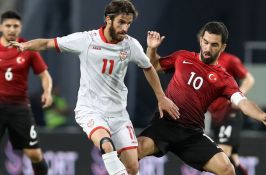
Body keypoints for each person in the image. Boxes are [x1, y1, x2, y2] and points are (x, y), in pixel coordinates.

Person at [10, 1, 180, 175]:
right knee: (106, 145)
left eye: (128, 23)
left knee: (133, 166)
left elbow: (148, 67)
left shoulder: (130, 45)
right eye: (121, 22)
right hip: (91, 110)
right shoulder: (86, 40)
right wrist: (24, 46)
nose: (125, 28)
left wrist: (161, 97)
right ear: (108, 19)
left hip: (119, 114)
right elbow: (47, 43)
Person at [137, 21, 266, 175]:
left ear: (223, 47)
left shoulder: (224, 78)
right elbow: (154, 65)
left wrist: (261, 116)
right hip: (164, 125)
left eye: (214, 45)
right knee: (132, 153)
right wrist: (151, 48)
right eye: (205, 42)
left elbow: (243, 102)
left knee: (228, 169)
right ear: (201, 40)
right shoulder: (182, 57)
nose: (207, 48)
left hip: (191, 135)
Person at [0, 11, 53, 175]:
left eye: (15, 26)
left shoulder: (28, 49)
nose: (11, 29)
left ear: (20, 28)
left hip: (19, 108)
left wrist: (47, 92)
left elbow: (45, 75)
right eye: (8, 25)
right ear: (1, 27)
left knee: (35, 155)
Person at [208, 52, 255, 175]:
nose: (208, 47)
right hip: (215, 116)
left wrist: (239, 95)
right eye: (204, 42)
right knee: (233, 159)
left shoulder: (229, 60)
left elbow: (249, 79)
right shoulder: (202, 62)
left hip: (229, 112)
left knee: (222, 155)